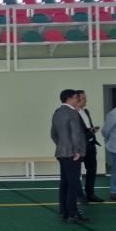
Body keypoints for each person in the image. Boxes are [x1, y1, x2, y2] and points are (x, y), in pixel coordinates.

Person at [51, 89, 89, 223]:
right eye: (76, 97)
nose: (78, 100)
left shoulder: (57, 113)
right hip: (72, 153)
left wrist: (62, 145)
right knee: (73, 184)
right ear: (69, 99)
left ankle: (64, 211)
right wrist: (77, 151)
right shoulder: (72, 113)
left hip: (62, 152)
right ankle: (73, 213)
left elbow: (53, 134)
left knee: (65, 183)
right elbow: (76, 134)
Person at [75, 90, 104, 203]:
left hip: (90, 145)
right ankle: (80, 195)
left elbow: (86, 127)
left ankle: (90, 193)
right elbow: (76, 132)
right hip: (79, 147)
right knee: (76, 173)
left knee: (92, 170)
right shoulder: (73, 113)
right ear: (77, 99)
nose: (86, 100)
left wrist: (91, 130)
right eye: (83, 98)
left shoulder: (86, 111)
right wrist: (88, 132)